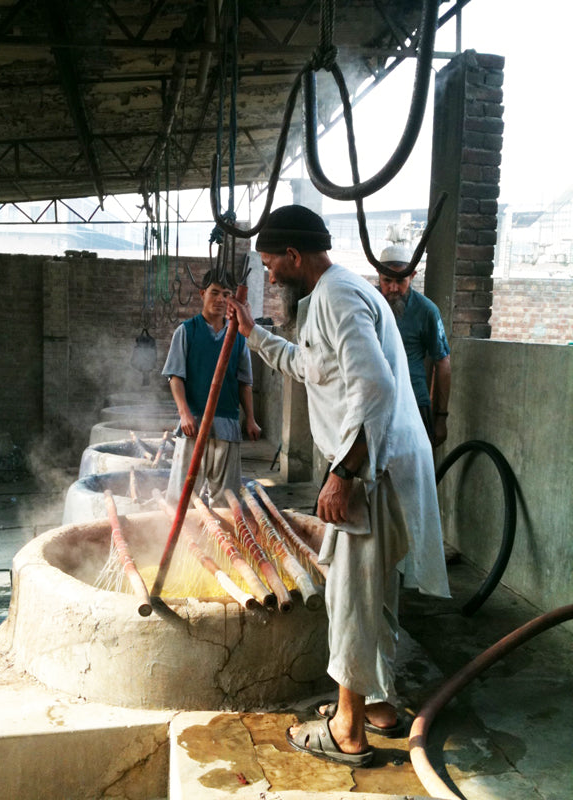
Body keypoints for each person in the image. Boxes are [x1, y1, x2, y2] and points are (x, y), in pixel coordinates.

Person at [227, 205, 450, 768]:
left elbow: (375, 388)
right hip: (382, 461)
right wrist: (253, 335)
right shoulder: (332, 295)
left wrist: (343, 473)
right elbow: (307, 366)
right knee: (376, 592)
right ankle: (378, 704)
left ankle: (346, 730)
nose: (269, 274)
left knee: (350, 594)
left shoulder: (337, 296)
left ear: (294, 255)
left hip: (372, 468)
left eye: (271, 263)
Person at [162, 269, 261, 507]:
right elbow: (175, 376)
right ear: (202, 294)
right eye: (214, 293)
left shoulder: (238, 337)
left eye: (226, 294)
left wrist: (250, 419)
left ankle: (220, 532)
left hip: (227, 425)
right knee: (182, 495)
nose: (220, 299)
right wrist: (184, 413)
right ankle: (179, 530)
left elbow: (244, 383)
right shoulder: (187, 331)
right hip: (194, 425)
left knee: (226, 499)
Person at [377, 244, 451, 446]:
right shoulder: (365, 304)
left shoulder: (427, 311)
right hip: (373, 403)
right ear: (378, 275)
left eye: (400, 281)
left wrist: (441, 417)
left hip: (414, 403)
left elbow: (443, 362)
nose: (393, 288)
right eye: (387, 281)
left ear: (412, 276)